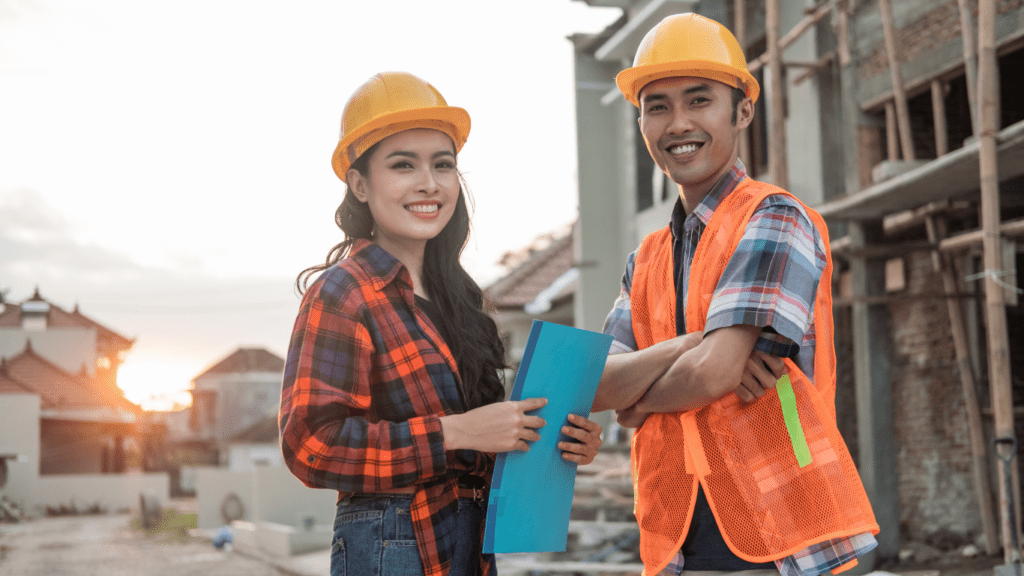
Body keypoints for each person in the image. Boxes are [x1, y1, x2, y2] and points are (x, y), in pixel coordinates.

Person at [279, 71, 604, 576]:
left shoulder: (462, 301)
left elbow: (479, 443)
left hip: (468, 547)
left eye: (443, 164)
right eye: (403, 165)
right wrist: (454, 432)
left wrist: (553, 442)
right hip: (394, 548)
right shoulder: (343, 294)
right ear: (360, 184)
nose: (428, 183)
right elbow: (311, 446)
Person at [591, 13, 880, 576]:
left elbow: (714, 374)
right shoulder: (644, 259)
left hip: (781, 533)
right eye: (658, 106)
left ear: (742, 110)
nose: (678, 123)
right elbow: (598, 384)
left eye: (699, 100)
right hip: (678, 540)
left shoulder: (772, 218)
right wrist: (697, 342)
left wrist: (640, 398)